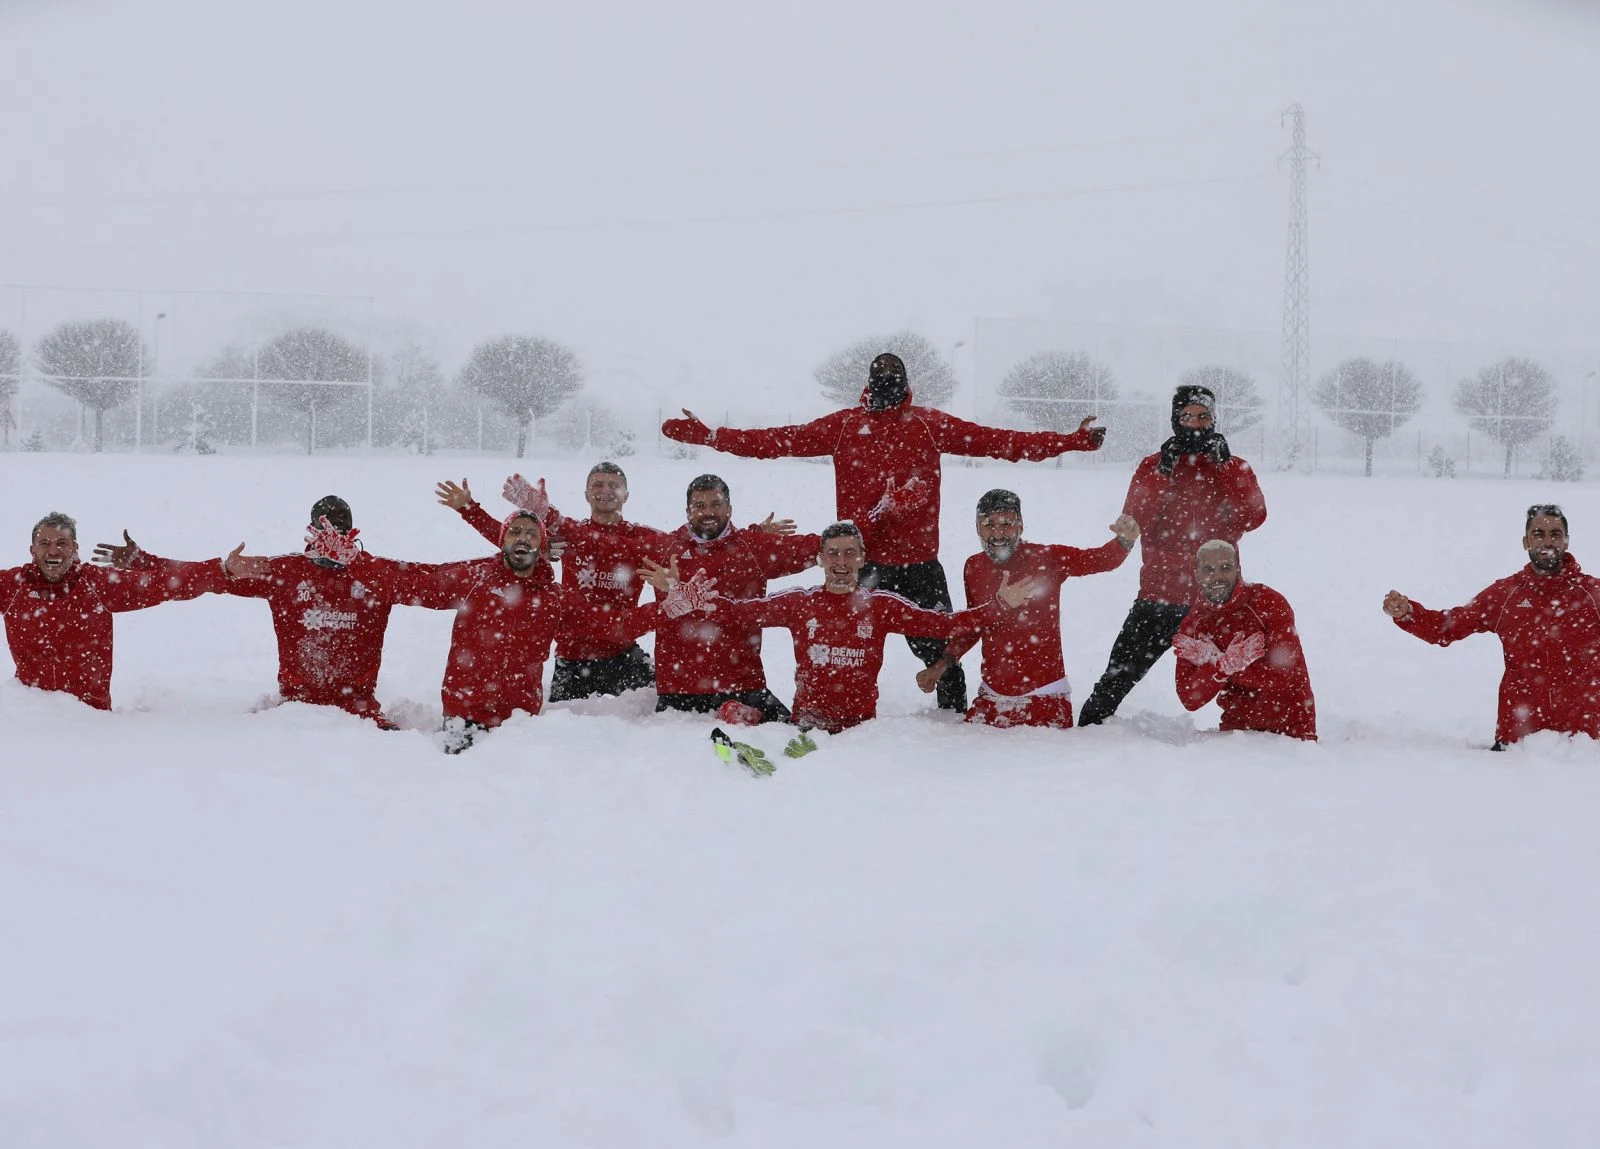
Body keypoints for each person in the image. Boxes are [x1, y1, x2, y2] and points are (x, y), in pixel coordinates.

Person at [659, 350, 1106, 714]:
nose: (888, 384)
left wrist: (1068, 441)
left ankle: (954, 728)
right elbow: (778, 440)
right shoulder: (845, 426)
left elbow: (1000, 442)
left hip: (919, 568)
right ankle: (828, 717)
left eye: (895, 376)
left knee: (943, 657)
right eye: (882, 377)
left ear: (906, 382)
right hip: (858, 566)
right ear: (869, 384)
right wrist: (712, 436)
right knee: (835, 653)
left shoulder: (928, 425)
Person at [317, 512, 709, 753]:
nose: (522, 538)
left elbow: (616, 627)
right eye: (515, 532)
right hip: (463, 720)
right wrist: (355, 559)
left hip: (519, 727)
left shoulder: (556, 598)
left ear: (541, 548)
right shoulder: (475, 577)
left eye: (531, 534)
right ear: (503, 540)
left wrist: (669, 607)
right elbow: (409, 581)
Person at [672, 521, 1039, 734]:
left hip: (861, 736)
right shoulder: (800, 602)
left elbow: (942, 622)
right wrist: (685, 595)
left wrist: (997, 606)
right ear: (819, 559)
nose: (841, 561)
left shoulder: (880, 606)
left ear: (863, 560)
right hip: (807, 727)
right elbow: (738, 613)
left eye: (849, 553)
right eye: (832, 553)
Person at [1077, 384, 1267, 726]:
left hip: (1216, 601)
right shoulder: (1154, 466)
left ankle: (1254, 740)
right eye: (1187, 416)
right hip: (1159, 596)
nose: (1195, 424)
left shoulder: (1234, 467)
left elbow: (1253, 517)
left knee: (1246, 679)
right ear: (1174, 420)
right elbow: (1135, 519)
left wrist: (1223, 467)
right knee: (1117, 677)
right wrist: (1164, 473)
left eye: (1203, 416)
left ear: (1214, 419)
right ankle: (1087, 733)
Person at [915, 489, 1140, 729]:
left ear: (1020, 525)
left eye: (1007, 524)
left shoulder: (1047, 558)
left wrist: (1124, 541)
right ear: (977, 527)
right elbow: (975, 624)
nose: (998, 533)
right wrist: (939, 667)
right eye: (989, 524)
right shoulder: (974, 566)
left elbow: (1099, 559)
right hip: (991, 698)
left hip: (1046, 697)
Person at [1383, 504, 1600, 748]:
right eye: (1538, 534)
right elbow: (1445, 628)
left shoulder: (1593, 594)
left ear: (1566, 541)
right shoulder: (1506, 595)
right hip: (1517, 744)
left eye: (1555, 534)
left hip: (1586, 745)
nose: (1547, 541)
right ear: (1525, 542)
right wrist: (1408, 614)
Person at [2, 512, 262, 710]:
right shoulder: (12, 586)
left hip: (88, 718)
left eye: (62, 543)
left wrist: (219, 571)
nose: (53, 550)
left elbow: (162, 585)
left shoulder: (96, 584)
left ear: (75, 549)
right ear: (32, 550)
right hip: (31, 713)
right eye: (44, 543)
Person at [639, 474, 819, 723]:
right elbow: (608, 549)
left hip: (743, 685)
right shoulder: (664, 548)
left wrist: (852, 546)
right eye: (700, 506)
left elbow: (819, 549)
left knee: (793, 740)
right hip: (679, 692)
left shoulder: (752, 546)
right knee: (679, 757)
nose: (708, 512)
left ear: (730, 509)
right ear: (688, 511)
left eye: (716, 504)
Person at [223, 495, 408, 729]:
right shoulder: (285, 571)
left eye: (340, 535)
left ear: (352, 535)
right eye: (325, 535)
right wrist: (226, 570)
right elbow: (220, 581)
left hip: (359, 710)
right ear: (312, 533)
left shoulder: (376, 575)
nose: (332, 546)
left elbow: (433, 588)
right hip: (296, 706)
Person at [495, 463, 672, 701]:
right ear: (586, 494)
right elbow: (508, 544)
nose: (605, 491)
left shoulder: (643, 538)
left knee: (667, 711)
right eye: (597, 485)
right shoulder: (567, 534)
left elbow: (682, 552)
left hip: (625, 654)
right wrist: (469, 509)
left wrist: (668, 589)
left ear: (626, 495)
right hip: (573, 661)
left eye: (614, 486)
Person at [1172, 539, 1317, 740]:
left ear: (1238, 569)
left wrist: (1229, 667)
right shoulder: (1195, 623)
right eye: (1208, 569)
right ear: (1196, 574)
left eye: (1225, 568)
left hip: (1291, 730)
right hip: (1236, 731)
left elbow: (1285, 676)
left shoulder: (1268, 602)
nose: (1217, 577)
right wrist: (1221, 666)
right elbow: (1190, 698)